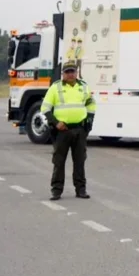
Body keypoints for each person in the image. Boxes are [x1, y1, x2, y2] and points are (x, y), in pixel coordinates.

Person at [41, 59, 97, 200]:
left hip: (79, 129)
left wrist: (89, 120)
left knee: (80, 161)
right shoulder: (56, 88)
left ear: (76, 72)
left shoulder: (84, 87)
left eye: (72, 71)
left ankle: (81, 190)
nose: (70, 74)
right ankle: (56, 190)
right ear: (63, 74)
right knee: (59, 162)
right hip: (62, 131)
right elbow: (45, 108)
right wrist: (55, 122)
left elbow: (91, 104)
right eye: (67, 72)